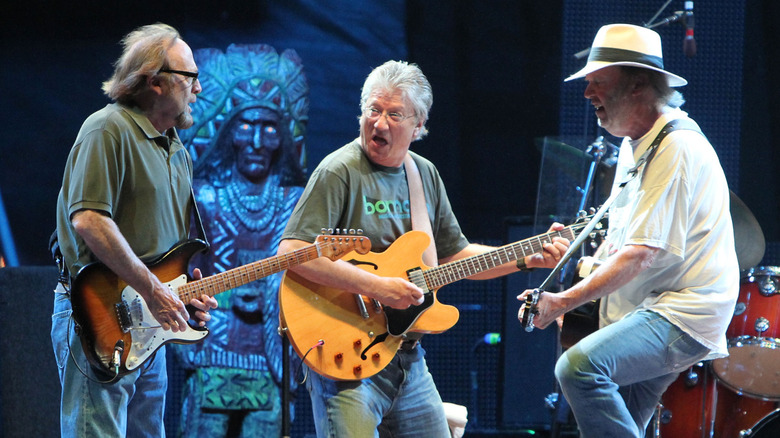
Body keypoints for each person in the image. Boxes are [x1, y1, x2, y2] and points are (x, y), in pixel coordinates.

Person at [277, 60, 570, 438]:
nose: (379, 123)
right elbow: (293, 251)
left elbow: (452, 257)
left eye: (394, 114)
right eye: (373, 110)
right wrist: (379, 287)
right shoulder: (339, 170)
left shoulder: (423, 174)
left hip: (407, 357)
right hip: (346, 353)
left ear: (418, 126)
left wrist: (522, 258)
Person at [518, 24, 739, 437]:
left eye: (598, 82)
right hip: (649, 305)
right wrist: (580, 268)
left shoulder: (676, 146)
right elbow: (622, 240)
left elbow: (642, 253)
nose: (587, 94)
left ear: (638, 85)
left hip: (682, 312)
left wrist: (564, 301)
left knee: (579, 368)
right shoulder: (635, 142)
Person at [51, 23, 218, 437]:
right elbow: (89, 219)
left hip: (147, 324)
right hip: (96, 317)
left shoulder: (178, 150)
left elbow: (163, 252)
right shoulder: (107, 128)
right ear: (154, 82)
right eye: (190, 77)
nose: (198, 88)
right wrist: (153, 289)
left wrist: (181, 290)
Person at [173, 43, 309, 437]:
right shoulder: (205, 197)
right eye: (246, 126)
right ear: (229, 132)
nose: (256, 141)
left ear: (282, 137)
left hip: (271, 353)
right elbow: (178, 269)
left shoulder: (294, 200)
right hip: (213, 344)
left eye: (268, 127)